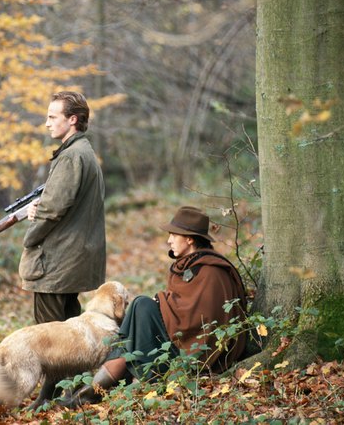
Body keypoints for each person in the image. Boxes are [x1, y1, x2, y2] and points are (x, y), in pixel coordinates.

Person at [61, 206, 248, 407]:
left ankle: (85, 396)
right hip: (177, 339)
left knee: (140, 307)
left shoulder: (212, 272)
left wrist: (161, 301)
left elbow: (199, 320)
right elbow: (182, 305)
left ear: (189, 238)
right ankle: (84, 396)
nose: (169, 240)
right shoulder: (190, 264)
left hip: (195, 353)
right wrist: (163, 302)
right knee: (136, 320)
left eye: (173, 235)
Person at [19, 91, 106, 325]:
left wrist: (30, 239)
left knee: (50, 339)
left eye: (52, 117)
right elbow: (62, 203)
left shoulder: (71, 156)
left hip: (58, 262)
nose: (47, 123)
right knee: (71, 338)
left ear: (72, 119)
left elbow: (52, 210)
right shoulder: (84, 152)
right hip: (72, 260)